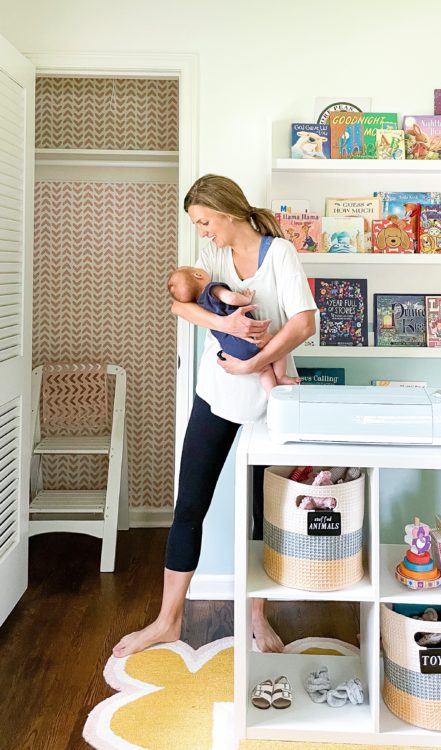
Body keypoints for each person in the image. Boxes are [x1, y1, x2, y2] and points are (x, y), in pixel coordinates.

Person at [113, 174, 317, 658]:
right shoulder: (214, 258)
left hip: (269, 401)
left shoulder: (279, 254)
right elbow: (180, 304)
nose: (203, 231)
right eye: (197, 225)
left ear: (227, 211)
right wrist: (225, 323)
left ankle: (256, 618)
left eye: (205, 221)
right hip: (217, 392)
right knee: (190, 505)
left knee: (263, 516)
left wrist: (252, 362)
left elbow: (304, 322)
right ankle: (168, 621)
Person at [167, 265, 300, 394]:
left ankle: (271, 394)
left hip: (232, 349)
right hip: (248, 338)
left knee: (264, 369)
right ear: (198, 275)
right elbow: (231, 298)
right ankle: (281, 376)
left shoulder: (199, 306)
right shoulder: (211, 289)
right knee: (278, 346)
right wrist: (246, 298)